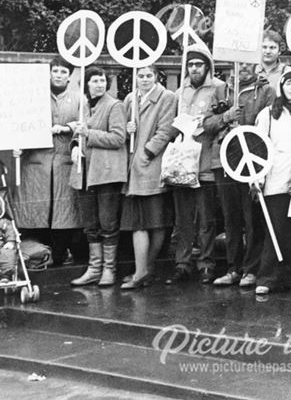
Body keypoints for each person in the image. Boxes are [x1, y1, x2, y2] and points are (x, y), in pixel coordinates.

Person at [165, 48, 228, 285]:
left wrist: (204, 124)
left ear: (207, 66)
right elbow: (171, 125)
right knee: (183, 219)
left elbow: (223, 121)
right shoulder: (180, 92)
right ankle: (182, 264)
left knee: (206, 218)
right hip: (183, 164)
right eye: (190, 64)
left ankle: (206, 263)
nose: (194, 69)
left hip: (205, 162)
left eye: (199, 64)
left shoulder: (219, 88)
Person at [11, 57, 82, 266]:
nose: (59, 75)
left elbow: (85, 123)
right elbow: (20, 122)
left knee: (64, 209)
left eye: (63, 72)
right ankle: (38, 253)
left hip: (63, 160)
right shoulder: (35, 96)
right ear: (49, 73)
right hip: (36, 160)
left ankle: (61, 252)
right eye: (55, 71)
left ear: (70, 75)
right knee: (35, 206)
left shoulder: (79, 98)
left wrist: (67, 128)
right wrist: (18, 144)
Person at [214, 63, 275, 288]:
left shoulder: (266, 91)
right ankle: (233, 268)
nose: (243, 69)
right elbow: (207, 122)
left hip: (251, 161)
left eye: (249, 64)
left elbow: (270, 123)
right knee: (231, 218)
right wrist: (225, 118)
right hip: (225, 160)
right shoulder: (221, 90)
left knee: (252, 219)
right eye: (239, 64)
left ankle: (251, 269)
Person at [69, 67, 127, 287]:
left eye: (102, 80)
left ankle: (109, 269)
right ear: (87, 84)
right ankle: (94, 268)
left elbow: (118, 138)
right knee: (90, 223)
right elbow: (78, 133)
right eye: (94, 81)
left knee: (107, 223)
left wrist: (88, 135)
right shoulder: (84, 106)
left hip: (106, 174)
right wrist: (75, 145)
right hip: (84, 173)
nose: (99, 84)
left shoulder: (114, 106)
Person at [120, 65, 176, 289]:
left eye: (148, 75)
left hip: (152, 164)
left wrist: (147, 152)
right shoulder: (130, 99)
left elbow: (166, 130)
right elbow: (121, 131)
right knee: (139, 221)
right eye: (140, 76)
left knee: (156, 221)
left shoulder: (166, 97)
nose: (144, 79)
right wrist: (127, 128)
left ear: (156, 77)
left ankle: (145, 269)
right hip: (134, 169)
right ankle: (142, 270)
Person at [254, 70, 291, 294]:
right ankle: (266, 278)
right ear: (282, 87)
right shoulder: (268, 114)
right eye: (289, 84)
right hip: (275, 178)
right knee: (275, 228)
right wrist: (257, 178)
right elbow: (258, 145)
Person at [258, 29, 287, 94]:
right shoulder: (252, 71)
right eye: (264, 47)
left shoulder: (286, 72)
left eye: (272, 48)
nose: (268, 51)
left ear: (279, 51)